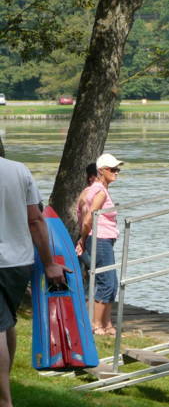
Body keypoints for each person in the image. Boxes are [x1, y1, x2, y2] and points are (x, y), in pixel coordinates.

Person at [0, 157, 67, 407]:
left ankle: (4, 400)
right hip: (19, 262)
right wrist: (49, 262)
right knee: (7, 322)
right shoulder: (19, 170)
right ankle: (5, 382)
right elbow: (36, 219)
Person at [76, 153, 123, 336]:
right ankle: (96, 324)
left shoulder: (89, 190)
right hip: (100, 238)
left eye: (117, 169)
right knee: (106, 282)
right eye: (113, 170)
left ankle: (105, 324)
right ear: (102, 171)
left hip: (100, 238)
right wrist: (83, 238)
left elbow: (81, 210)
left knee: (110, 281)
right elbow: (89, 217)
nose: (116, 173)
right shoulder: (101, 192)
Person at [74, 162, 99, 274]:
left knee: (87, 274)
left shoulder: (85, 192)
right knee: (98, 270)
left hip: (84, 237)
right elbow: (87, 219)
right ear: (92, 178)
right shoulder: (92, 193)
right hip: (89, 237)